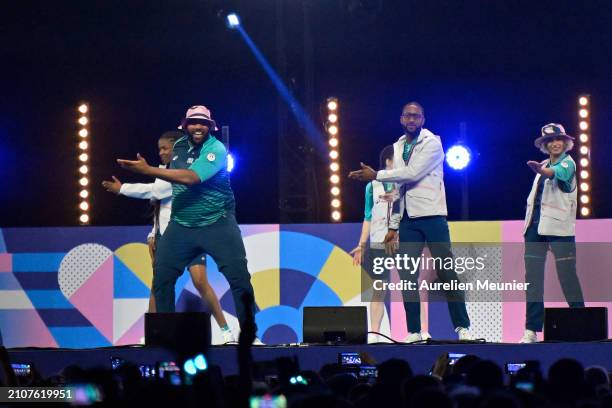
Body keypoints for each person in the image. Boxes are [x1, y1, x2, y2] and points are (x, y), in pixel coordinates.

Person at [116, 105, 256, 338]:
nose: (198, 126)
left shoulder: (216, 149)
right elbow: (165, 186)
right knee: (161, 279)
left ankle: (250, 334)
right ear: (185, 126)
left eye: (203, 123)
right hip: (180, 226)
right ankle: (167, 336)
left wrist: (148, 170)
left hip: (217, 224)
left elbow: (191, 178)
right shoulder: (178, 146)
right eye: (193, 122)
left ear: (211, 126)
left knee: (240, 279)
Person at [349, 102, 472, 342]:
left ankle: (463, 327)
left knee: (446, 272)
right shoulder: (398, 145)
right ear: (401, 119)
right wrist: (394, 225)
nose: (412, 119)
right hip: (407, 220)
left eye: (416, 115)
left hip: (433, 216)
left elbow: (412, 173)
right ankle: (414, 331)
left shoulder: (433, 143)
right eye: (408, 115)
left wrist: (376, 175)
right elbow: (398, 188)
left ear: (423, 119)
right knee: (407, 275)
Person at [102, 131, 235, 343]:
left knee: (200, 281)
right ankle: (154, 335)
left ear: (177, 146)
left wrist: (122, 189)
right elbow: (160, 207)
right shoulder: (162, 171)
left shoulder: (185, 171)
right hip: (166, 238)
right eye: (159, 149)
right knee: (158, 285)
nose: (161, 153)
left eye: (165, 148)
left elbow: (156, 191)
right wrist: (153, 235)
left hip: (190, 235)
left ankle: (227, 331)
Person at [350, 145, 430, 343]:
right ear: (387, 162)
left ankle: (422, 332)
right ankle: (375, 335)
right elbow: (367, 216)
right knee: (378, 289)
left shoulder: (407, 183)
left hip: (404, 241)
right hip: (378, 243)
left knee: (412, 286)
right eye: (398, 160)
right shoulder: (371, 187)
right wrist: (361, 244)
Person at [520, 123, 584, 343]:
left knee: (567, 277)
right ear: (545, 145)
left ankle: (581, 322)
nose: (555, 143)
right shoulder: (544, 164)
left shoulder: (568, 163)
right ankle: (531, 330)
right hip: (534, 229)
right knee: (533, 281)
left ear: (565, 143)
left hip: (558, 228)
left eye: (558, 140)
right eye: (550, 141)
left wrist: (541, 170)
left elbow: (555, 174)